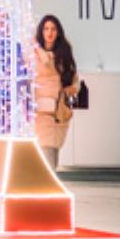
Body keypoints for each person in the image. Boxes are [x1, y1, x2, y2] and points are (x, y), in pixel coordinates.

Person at [33, 15, 80, 170]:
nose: (49, 32)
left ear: (58, 32)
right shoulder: (33, 54)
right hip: (40, 111)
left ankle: (48, 191)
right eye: (46, 28)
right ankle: (45, 191)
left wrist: (67, 92)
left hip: (59, 112)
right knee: (46, 156)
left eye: (53, 29)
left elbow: (74, 81)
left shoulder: (64, 52)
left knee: (52, 155)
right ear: (41, 31)